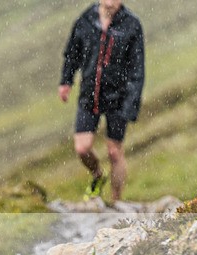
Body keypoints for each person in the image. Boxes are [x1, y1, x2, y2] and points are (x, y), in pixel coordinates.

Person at [59, 0, 144, 203]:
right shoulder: (86, 19)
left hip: (119, 97)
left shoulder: (131, 24)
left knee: (114, 151)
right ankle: (98, 174)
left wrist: (131, 104)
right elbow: (73, 53)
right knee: (82, 147)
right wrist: (66, 81)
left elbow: (137, 69)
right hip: (90, 93)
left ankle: (115, 203)